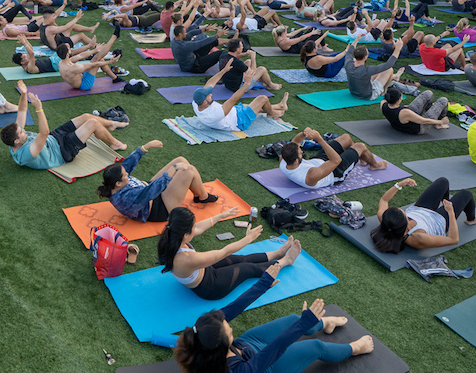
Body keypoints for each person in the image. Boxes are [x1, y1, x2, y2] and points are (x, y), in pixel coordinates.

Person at [172, 277, 371, 371]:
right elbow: (275, 349)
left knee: (294, 320)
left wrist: (262, 284)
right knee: (315, 346)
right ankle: (354, 348)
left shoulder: (204, 334)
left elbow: (233, 308)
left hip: (246, 345)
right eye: (228, 331)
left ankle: (323, 323)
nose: (229, 325)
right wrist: (303, 324)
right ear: (220, 347)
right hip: (267, 367)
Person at [157, 209, 301, 300]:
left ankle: (278, 253)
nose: (196, 228)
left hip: (203, 271)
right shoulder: (186, 259)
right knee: (246, 268)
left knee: (240, 259)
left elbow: (199, 227)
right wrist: (248, 239)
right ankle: (286, 260)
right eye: (192, 228)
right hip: (210, 287)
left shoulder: (171, 235)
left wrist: (221, 215)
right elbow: (224, 251)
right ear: (185, 234)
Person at [0, 85, 127, 169]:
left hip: (55, 137)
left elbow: (22, 111)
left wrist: (24, 93)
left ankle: (111, 124)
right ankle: (115, 143)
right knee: (92, 123)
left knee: (86, 117)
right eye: (21, 132)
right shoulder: (26, 154)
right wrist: (39, 109)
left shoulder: (16, 139)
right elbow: (44, 133)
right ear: (16, 141)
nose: (23, 130)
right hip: (62, 151)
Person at [97, 139, 218, 222]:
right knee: (188, 170)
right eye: (125, 175)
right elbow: (151, 191)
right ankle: (203, 196)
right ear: (118, 183)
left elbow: (127, 164)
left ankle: (201, 196)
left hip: (150, 191)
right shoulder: (126, 199)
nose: (127, 174)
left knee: (181, 160)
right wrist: (174, 169)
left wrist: (146, 147)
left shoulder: (116, 182)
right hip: (160, 208)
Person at [370, 176, 476, 254]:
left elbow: (384, 200)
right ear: (405, 222)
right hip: (440, 221)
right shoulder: (417, 238)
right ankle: (472, 219)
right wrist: (451, 212)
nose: (401, 209)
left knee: (443, 181)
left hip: (420, 209)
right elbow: (453, 239)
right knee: (466, 194)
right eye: (404, 213)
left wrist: (400, 184)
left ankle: (445, 203)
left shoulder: (387, 220)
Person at [278, 127, 385, 191]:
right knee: (360, 146)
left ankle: (361, 156)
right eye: (301, 153)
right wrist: (319, 139)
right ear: (296, 160)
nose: (302, 152)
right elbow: (336, 161)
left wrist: (304, 133)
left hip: (318, 160)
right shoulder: (310, 175)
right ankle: (374, 165)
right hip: (334, 171)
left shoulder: (284, 160)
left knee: (346, 138)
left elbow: (295, 142)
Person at [191, 65, 288, 131]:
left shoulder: (196, 102)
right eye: (208, 96)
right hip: (240, 121)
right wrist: (247, 83)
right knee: (262, 99)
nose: (211, 94)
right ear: (204, 101)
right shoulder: (214, 115)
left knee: (252, 106)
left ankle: (280, 105)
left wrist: (224, 71)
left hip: (234, 112)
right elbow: (233, 99)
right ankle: (273, 113)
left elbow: (210, 83)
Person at [379, 85, 451, 134]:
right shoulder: (404, 112)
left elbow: (396, 108)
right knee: (443, 100)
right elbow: (424, 121)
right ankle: (438, 124)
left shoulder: (383, 104)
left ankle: (434, 117)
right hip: (420, 127)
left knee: (428, 93)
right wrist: (441, 121)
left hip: (404, 118)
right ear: (398, 100)